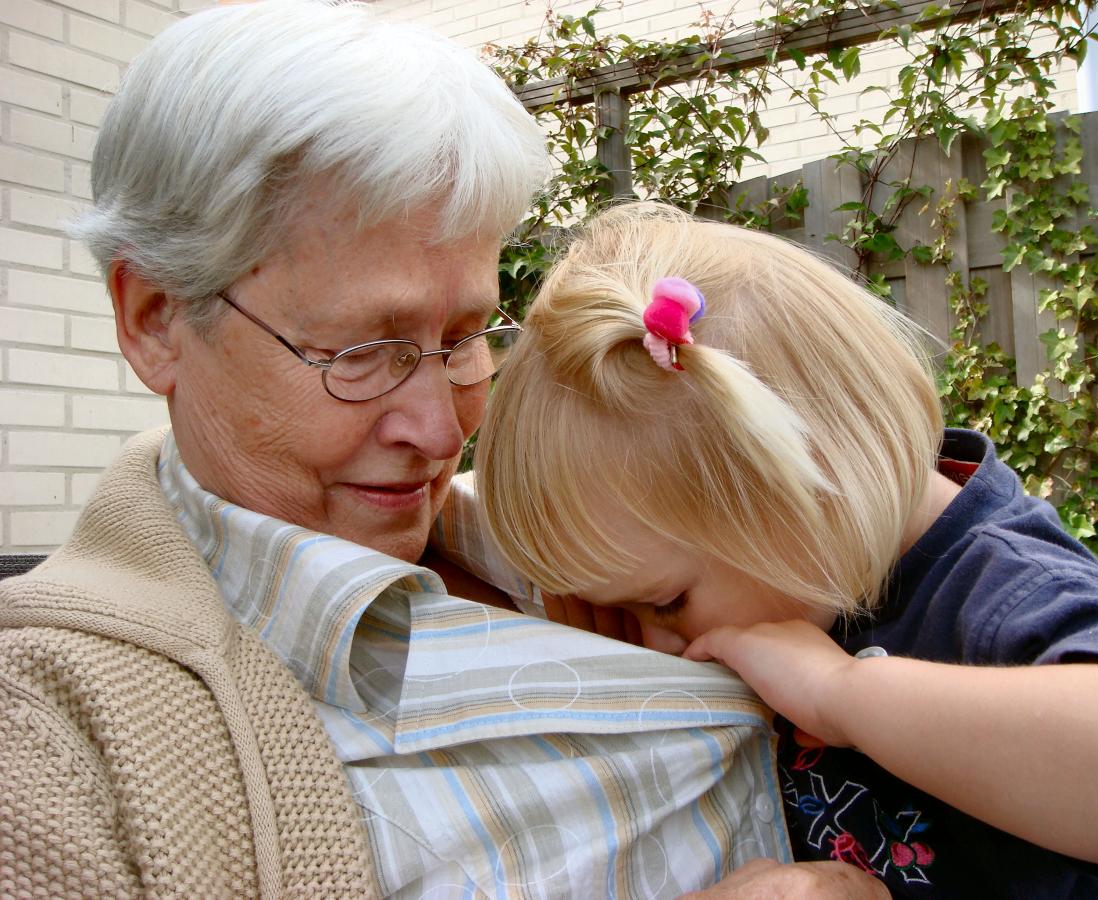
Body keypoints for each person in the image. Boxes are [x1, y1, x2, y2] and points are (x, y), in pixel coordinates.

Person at [0, 5, 891, 897]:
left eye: (466, 336)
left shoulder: (568, 529)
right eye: (360, 353)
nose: (442, 430)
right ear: (155, 319)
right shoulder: (48, 736)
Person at [474, 201, 1098, 897]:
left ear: (808, 488)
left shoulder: (1000, 587)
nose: (658, 643)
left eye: (666, 603)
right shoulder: (812, 584)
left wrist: (841, 693)